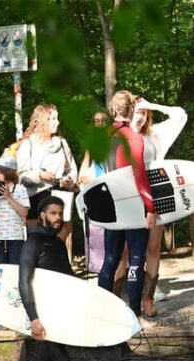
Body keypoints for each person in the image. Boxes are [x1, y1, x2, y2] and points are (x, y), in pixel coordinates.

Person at [18, 196, 109, 361]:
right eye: (53, 214)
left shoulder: (57, 244)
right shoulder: (32, 244)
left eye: (60, 214)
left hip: (60, 311)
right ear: (42, 216)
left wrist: (89, 299)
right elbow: (24, 283)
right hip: (44, 314)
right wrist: (34, 318)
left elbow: (68, 279)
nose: (58, 218)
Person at [97, 91, 158, 329]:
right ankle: (134, 316)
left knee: (110, 260)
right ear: (131, 110)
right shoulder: (133, 138)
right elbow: (139, 176)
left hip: (110, 204)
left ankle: (103, 315)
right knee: (135, 260)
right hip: (131, 204)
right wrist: (150, 207)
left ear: (113, 110)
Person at [132, 98, 188, 317]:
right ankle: (129, 297)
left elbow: (181, 115)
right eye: (137, 111)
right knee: (129, 251)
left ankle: (149, 297)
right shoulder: (121, 136)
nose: (141, 116)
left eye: (145, 112)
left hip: (157, 190)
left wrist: (153, 105)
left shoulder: (155, 133)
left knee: (153, 247)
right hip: (130, 192)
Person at [17, 103, 77, 247]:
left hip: (60, 195)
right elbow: (21, 176)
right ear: (42, 120)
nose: (57, 122)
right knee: (38, 241)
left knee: (62, 233)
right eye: (52, 119)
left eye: (56, 118)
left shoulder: (62, 143)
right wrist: (40, 176)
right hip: (37, 199)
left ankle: (56, 261)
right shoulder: (28, 144)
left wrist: (68, 181)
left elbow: (72, 171)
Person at [78, 110, 110, 277]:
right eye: (96, 121)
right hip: (97, 194)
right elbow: (82, 174)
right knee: (97, 235)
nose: (99, 124)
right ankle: (100, 274)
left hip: (112, 193)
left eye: (103, 121)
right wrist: (82, 178)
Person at [0, 154, 30, 265]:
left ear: (9, 172)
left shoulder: (20, 189)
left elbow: (24, 212)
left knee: (14, 268)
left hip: (16, 237)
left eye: (0, 172)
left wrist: (8, 197)